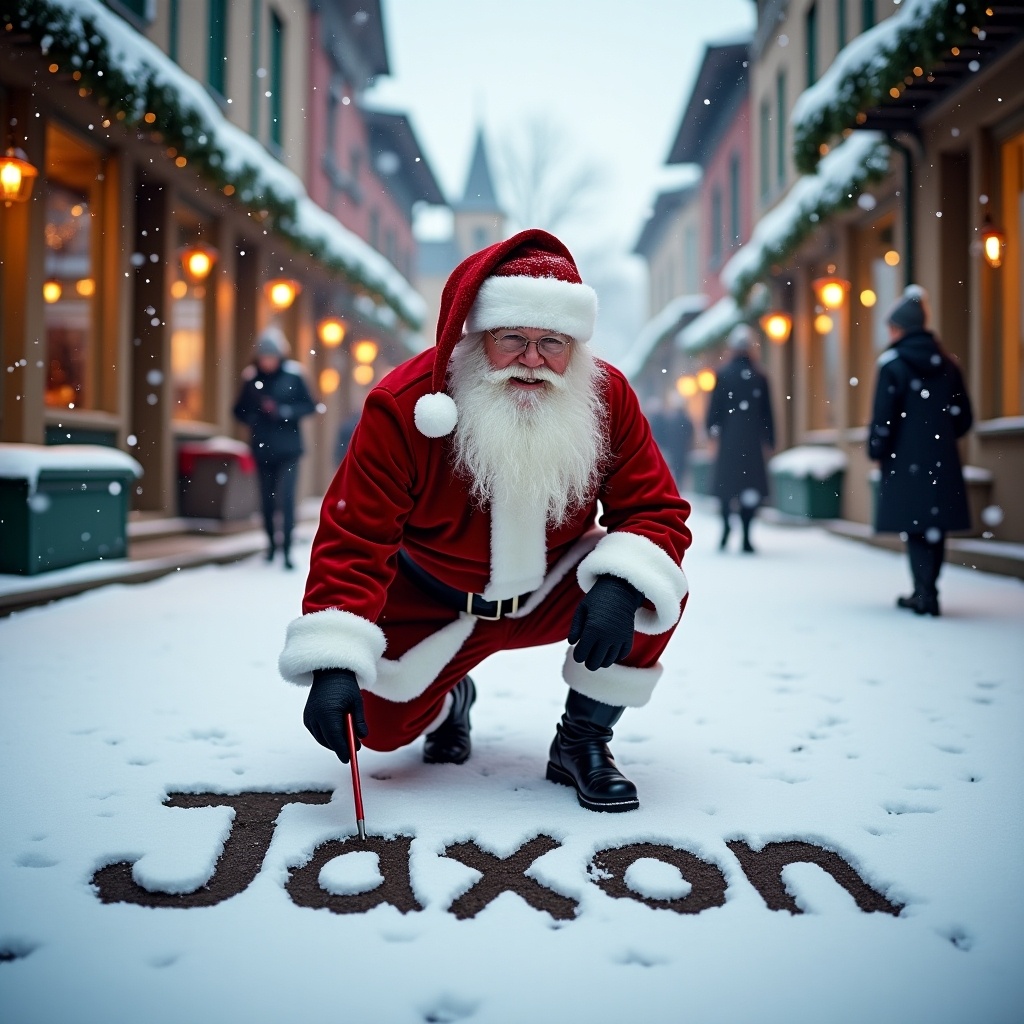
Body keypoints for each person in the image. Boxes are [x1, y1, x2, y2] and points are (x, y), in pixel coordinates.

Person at [279, 229, 691, 813]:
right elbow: (356, 538)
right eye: (513, 338)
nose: (532, 359)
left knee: (651, 588)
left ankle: (583, 741)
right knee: (380, 729)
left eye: (552, 341)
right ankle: (451, 700)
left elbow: (655, 509)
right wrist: (333, 660)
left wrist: (622, 587)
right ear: (477, 336)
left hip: (552, 589)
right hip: (430, 599)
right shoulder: (405, 407)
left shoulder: (608, 399)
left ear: (574, 344)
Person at [868, 285, 973, 616]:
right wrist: (941, 437)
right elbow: (964, 417)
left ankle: (922, 591)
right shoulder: (948, 365)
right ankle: (929, 590)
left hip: (905, 459)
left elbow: (883, 417)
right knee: (934, 525)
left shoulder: (893, 365)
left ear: (900, 329)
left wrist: (878, 447)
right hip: (941, 459)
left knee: (915, 525)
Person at [233, 326, 317, 570]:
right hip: (262, 449)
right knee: (267, 501)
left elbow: (309, 405)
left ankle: (287, 549)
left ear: (280, 356)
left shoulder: (294, 376)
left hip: (289, 450)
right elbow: (238, 410)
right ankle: (271, 546)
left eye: (271, 356)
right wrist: (256, 416)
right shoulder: (251, 379)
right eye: (263, 357)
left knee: (287, 499)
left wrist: (284, 412)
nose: (267, 362)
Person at [705, 324, 775, 553]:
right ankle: (746, 535)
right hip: (752, 442)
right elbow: (768, 412)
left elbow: (714, 411)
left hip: (729, 441)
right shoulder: (760, 376)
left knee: (727, 488)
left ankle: (726, 526)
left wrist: (712, 432)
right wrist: (770, 439)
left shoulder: (723, 375)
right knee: (749, 488)